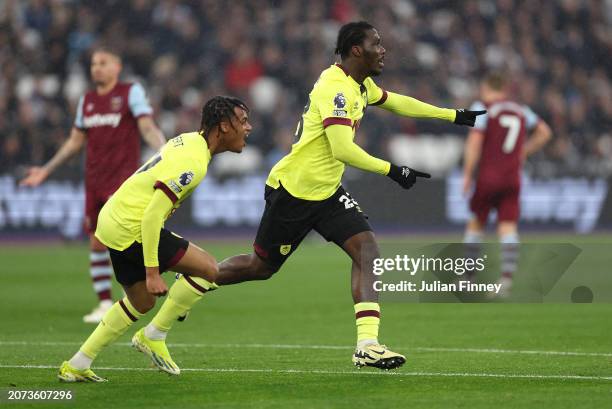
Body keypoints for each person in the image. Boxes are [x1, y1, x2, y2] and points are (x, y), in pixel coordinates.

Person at [213, 21, 485, 370]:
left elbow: (397, 102)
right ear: (357, 50)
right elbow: (342, 149)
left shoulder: (361, 85)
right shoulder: (335, 88)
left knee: (367, 250)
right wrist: (393, 170)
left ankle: (368, 345)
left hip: (326, 192)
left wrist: (453, 115)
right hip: (295, 191)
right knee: (260, 267)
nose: (383, 49)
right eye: (376, 43)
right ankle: (199, 275)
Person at [57, 96, 252, 382]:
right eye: (243, 121)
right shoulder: (194, 163)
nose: (249, 128)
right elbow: (151, 217)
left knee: (141, 302)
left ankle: (77, 363)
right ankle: (154, 335)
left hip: (113, 220)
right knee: (209, 269)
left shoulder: (187, 141)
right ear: (223, 126)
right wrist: (152, 272)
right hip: (133, 225)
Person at [20, 47, 166, 323]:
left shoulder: (129, 92)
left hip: (123, 181)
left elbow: (146, 126)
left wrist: (166, 152)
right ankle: (103, 304)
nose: (96, 68)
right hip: (95, 182)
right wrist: (46, 170)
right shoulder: (87, 101)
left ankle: (156, 278)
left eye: (103, 63)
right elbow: (75, 141)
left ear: (117, 66)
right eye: (93, 64)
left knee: (131, 239)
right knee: (97, 243)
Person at [462, 72, 552, 297]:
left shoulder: (483, 107)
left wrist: (466, 174)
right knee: (508, 227)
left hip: (488, 176)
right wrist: (523, 151)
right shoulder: (521, 109)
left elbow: (474, 142)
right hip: (513, 178)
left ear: (489, 88)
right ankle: (506, 281)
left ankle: (467, 278)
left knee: (476, 224)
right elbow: (544, 132)